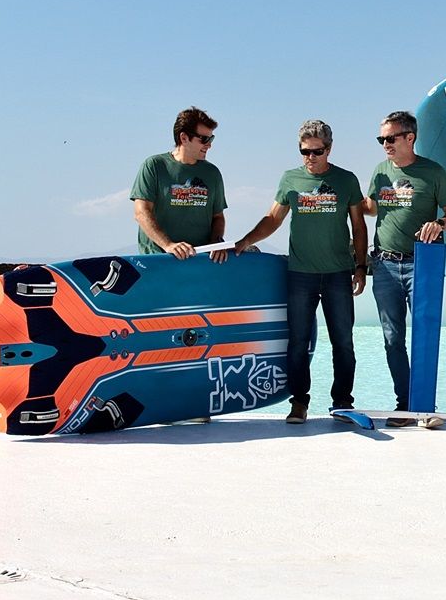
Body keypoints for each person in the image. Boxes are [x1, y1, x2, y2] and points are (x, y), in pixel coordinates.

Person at [234, 120, 367, 425]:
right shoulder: (290, 179)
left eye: (316, 151)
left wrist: (360, 265)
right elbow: (273, 219)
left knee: (343, 342)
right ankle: (299, 403)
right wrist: (245, 241)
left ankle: (342, 402)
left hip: (338, 273)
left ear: (329, 149)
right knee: (297, 342)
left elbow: (358, 227)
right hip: (300, 275)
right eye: (304, 151)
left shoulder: (346, 180)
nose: (310, 157)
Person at [362, 111, 446, 427]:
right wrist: (338, 192)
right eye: (381, 139)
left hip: (422, 265)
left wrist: (438, 223)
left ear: (409, 137)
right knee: (392, 338)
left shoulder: (432, 172)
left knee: (425, 334)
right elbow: (371, 207)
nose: (385, 144)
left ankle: (425, 405)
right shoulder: (380, 171)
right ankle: (405, 405)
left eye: (390, 138)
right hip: (384, 266)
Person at [131, 107, 228, 263]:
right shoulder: (154, 166)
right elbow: (141, 213)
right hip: (159, 261)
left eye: (211, 139)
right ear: (184, 138)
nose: (209, 145)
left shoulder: (212, 173)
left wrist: (216, 243)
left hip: (199, 262)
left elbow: (218, 217)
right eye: (204, 139)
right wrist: (169, 245)